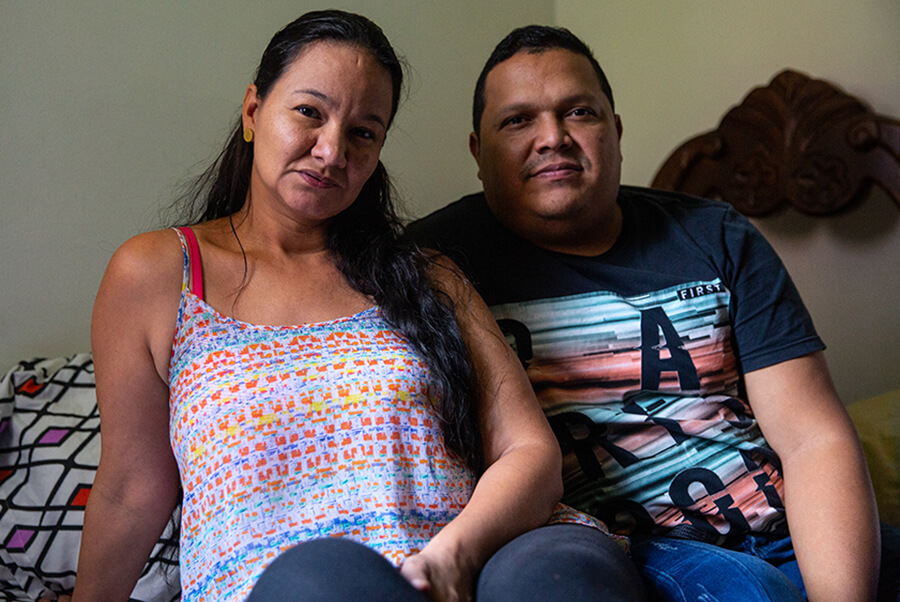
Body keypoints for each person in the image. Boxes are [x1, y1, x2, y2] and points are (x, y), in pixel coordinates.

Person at [69, 12, 643, 602]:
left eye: (364, 132)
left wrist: (452, 557)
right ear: (252, 111)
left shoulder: (427, 277)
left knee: (562, 573)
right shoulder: (158, 274)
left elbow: (529, 452)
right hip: (293, 584)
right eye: (309, 112)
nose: (331, 149)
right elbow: (132, 487)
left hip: (474, 562)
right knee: (323, 583)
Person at [410, 24, 900, 601]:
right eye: (518, 120)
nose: (553, 138)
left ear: (614, 131)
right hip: (639, 548)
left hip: (792, 524)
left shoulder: (715, 235)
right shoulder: (435, 266)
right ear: (478, 151)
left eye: (579, 113)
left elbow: (812, 438)